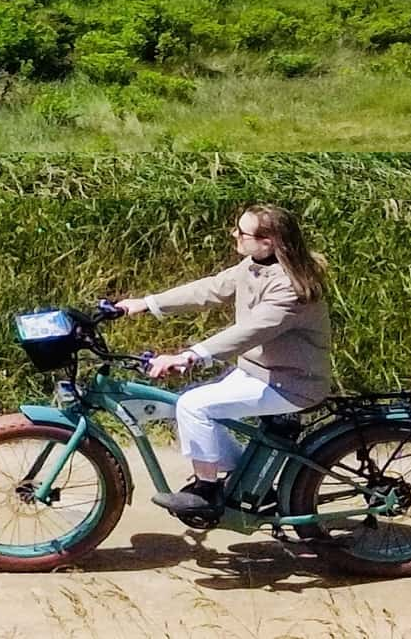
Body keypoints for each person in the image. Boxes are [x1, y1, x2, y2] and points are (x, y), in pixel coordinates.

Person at [114, 204, 331, 514]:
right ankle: (249, 480)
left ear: (268, 241)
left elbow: (250, 331)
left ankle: (207, 493)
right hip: (260, 372)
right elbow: (211, 289)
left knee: (194, 405)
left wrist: (190, 356)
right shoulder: (254, 264)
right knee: (189, 408)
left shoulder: (290, 287)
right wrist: (147, 303)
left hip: (292, 383)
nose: (234, 235)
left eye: (241, 232)